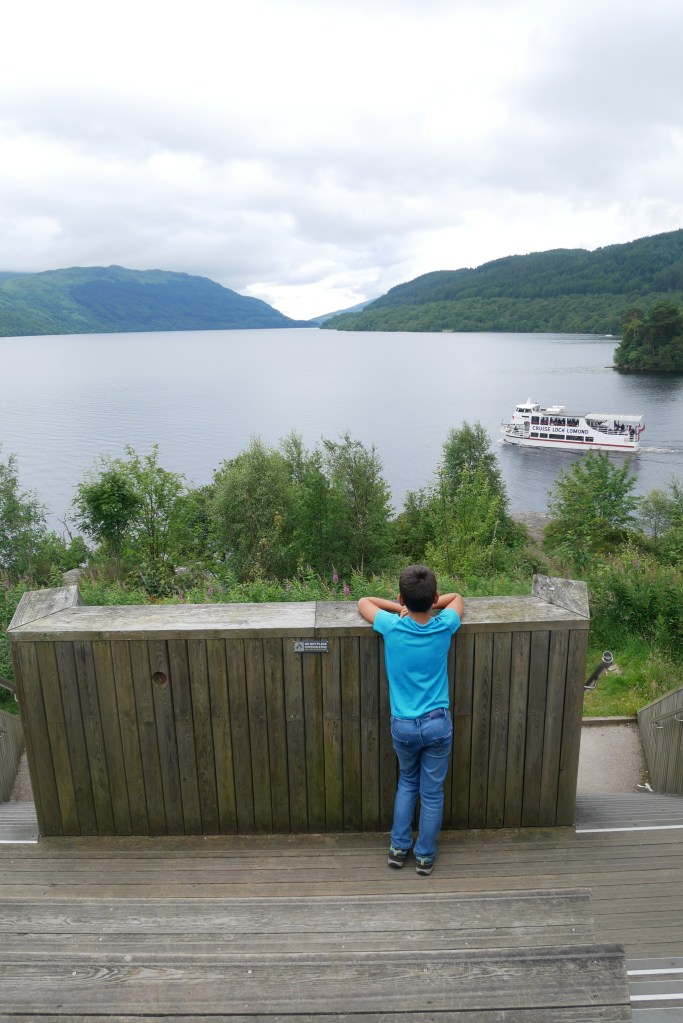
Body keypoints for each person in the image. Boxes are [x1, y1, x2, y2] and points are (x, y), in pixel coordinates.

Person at [357, 565, 464, 876]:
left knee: (407, 783)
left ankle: (398, 848)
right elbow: (457, 597)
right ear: (435, 598)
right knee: (431, 792)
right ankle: (425, 856)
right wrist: (431, 602)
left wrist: (399, 608)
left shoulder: (392, 626)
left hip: (403, 725)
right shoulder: (444, 625)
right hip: (437, 723)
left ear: (402, 598)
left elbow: (363, 601)